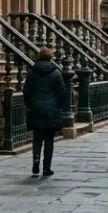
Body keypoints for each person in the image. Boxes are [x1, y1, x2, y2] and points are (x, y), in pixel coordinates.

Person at [22, 47, 68, 177]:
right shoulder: (56, 72)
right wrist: (58, 106)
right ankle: (46, 168)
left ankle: (36, 160)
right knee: (49, 139)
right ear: (51, 57)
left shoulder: (32, 72)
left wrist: (30, 104)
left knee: (37, 137)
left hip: (36, 107)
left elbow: (26, 91)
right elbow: (62, 92)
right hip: (51, 109)